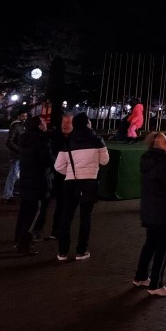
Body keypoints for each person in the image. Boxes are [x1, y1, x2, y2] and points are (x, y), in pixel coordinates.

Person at [133, 131, 166, 297]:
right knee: (163, 246)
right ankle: (156, 284)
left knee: (150, 244)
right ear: (158, 144)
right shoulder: (164, 162)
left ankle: (141, 276)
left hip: (150, 209)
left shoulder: (147, 159)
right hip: (162, 211)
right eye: (165, 141)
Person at [53, 111, 109, 261]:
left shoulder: (68, 141)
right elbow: (104, 161)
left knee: (66, 217)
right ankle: (81, 251)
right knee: (85, 218)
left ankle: (62, 252)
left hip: (71, 182)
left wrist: (70, 172)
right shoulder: (97, 140)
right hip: (89, 183)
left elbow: (58, 166)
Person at [14, 114, 53, 255]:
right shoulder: (42, 140)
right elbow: (48, 161)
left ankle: (18, 239)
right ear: (39, 125)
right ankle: (24, 244)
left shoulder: (24, 138)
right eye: (43, 122)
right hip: (38, 181)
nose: (46, 124)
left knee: (24, 212)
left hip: (26, 179)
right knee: (33, 213)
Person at [46, 113, 73, 240]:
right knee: (60, 203)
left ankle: (60, 229)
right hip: (56, 176)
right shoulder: (53, 137)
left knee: (65, 204)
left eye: (68, 123)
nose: (65, 125)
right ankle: (55, 229)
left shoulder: (75, 139)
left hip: (70, 177)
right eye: (63, 122)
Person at [2, 107, 28, 203]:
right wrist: (20, 150)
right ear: (18, 116)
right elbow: (9, 142)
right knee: (12, 175)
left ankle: (11, 192)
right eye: (22, 116)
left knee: (17, 176)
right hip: (16, 155)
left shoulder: (24, 126)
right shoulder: (16, 126)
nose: (24, 118)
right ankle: (7, 196)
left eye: (26, 116)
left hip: (21, 155)